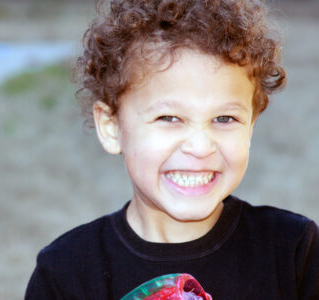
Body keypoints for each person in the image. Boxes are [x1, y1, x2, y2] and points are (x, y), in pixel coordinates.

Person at [25, 0, 319, 299]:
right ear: (112, 127)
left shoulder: (293, 251)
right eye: (169, 118)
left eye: (224, 118)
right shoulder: (66, 272)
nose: (200, 146)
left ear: (251, 127)